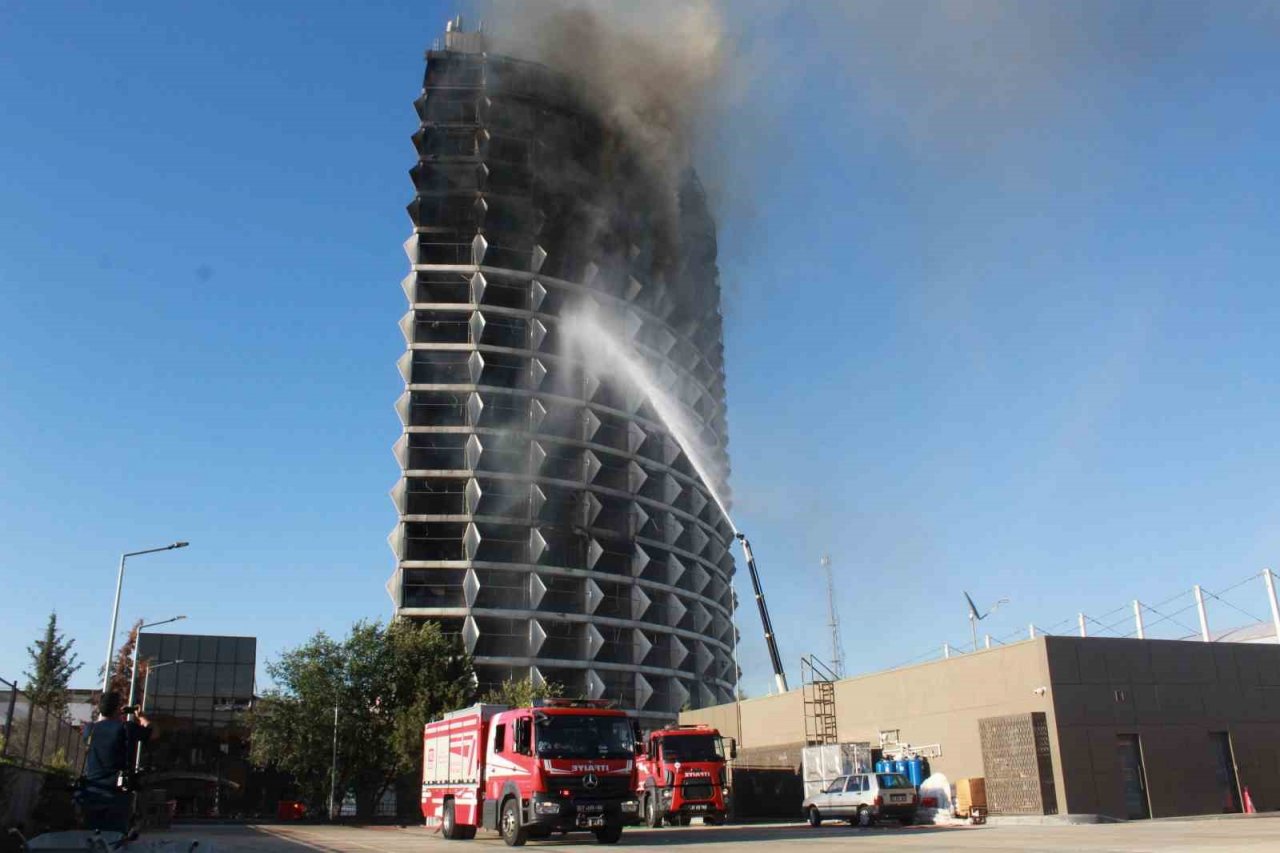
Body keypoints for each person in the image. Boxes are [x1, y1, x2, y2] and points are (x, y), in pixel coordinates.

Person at [76, 690, 152, 835]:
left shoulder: (89, 730)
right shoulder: (126, 728)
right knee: (114, 838)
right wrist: (141, 717)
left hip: (91, 793)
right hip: (116, 795)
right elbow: (152, 732)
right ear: (118, 708)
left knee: (91, 837)